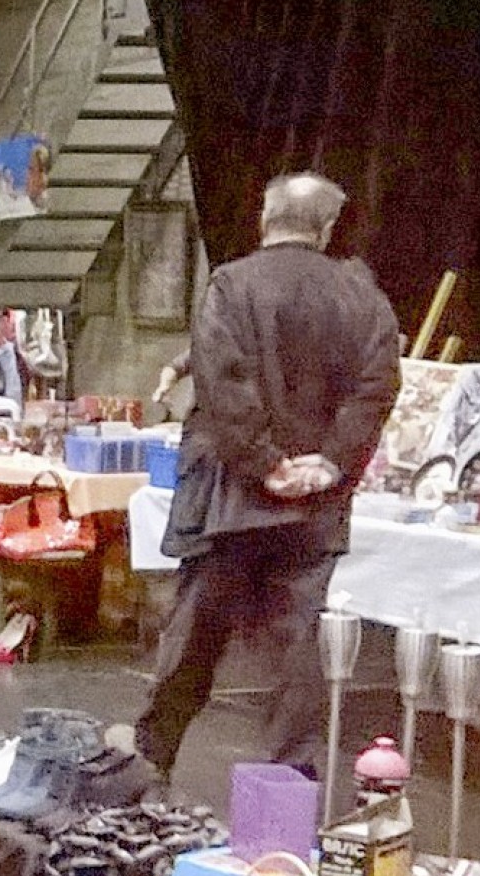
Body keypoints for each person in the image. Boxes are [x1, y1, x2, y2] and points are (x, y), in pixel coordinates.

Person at [136, 172, 400, 780]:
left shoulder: (231, 285)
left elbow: (222, 381)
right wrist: (328, 462)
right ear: (327, 228)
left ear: (264, 218)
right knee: (297, 650)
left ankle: (149, 764)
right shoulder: (365, 299)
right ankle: (290, 785)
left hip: (232, 499)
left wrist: (264, 463)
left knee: (193, 638)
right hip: (314, 508)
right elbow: (377, 387)